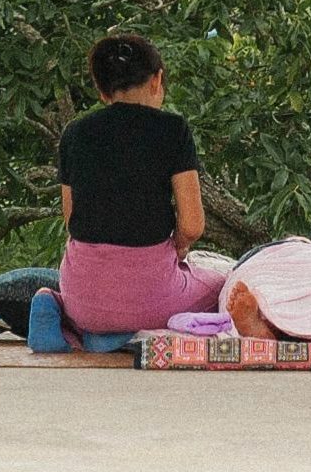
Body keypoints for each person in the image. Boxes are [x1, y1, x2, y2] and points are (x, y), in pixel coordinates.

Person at [51, 32, 223, 340]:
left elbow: (71, 219)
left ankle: (58, 311)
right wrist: (179, 245)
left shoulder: (74, 133)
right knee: (222, 285)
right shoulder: (173, 129)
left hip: (82, 301)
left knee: (69, 292)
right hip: (151, 299)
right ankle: (135, 326)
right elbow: (193, 225)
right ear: (157, 80)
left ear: (102, 92)